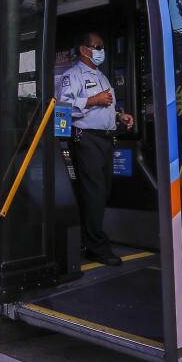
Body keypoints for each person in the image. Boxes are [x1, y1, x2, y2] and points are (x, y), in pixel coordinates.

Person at [58, 31, 134, 266]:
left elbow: (106, 105)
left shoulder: (101, 77)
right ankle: (95, 247)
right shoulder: (72, 76)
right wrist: (94, 100)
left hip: (105, 139)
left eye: (101, 46)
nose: (101, 51)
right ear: (84, 50)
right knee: (94, 194)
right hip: (86, 140)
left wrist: (120, 116)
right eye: (97, 46)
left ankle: (88, 239)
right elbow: (63, 107)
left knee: (102, 192)